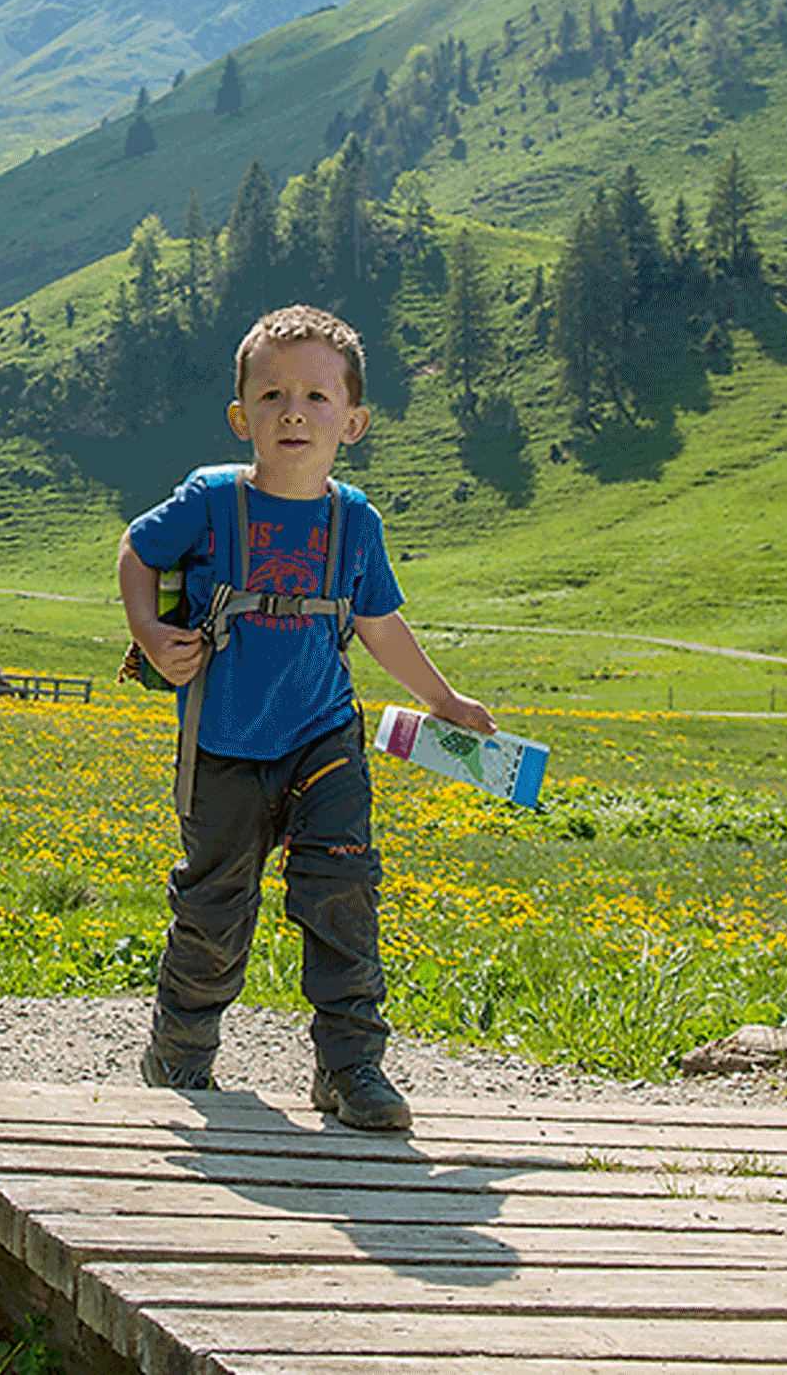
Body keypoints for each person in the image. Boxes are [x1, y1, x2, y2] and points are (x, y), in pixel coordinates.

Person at [118, 304, 495, 1131]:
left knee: (342, 896)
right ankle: (181, 1053)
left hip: (325, 735)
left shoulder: (356, 522)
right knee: (216, 907)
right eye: (274, 395)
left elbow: (379, 623)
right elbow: (138, 552)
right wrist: (148, 632)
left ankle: (352, 1066)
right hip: (221, 742)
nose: (295, 411)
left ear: (353, 420)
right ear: (241, 415)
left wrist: (444, 702)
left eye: (319, 397)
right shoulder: (211, 502)